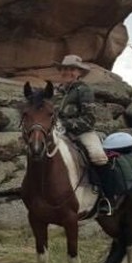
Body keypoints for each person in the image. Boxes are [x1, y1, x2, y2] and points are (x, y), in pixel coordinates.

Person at [55, 53, 112, 215]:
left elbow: (89, 119)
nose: (68, 72)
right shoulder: (56, 91)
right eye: (65, 69)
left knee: (98, 157)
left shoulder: (84, 90)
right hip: (58, 132)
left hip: (82, 132)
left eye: (72, 69)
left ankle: (106, 198)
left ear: (79, 72)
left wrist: (66, 125)